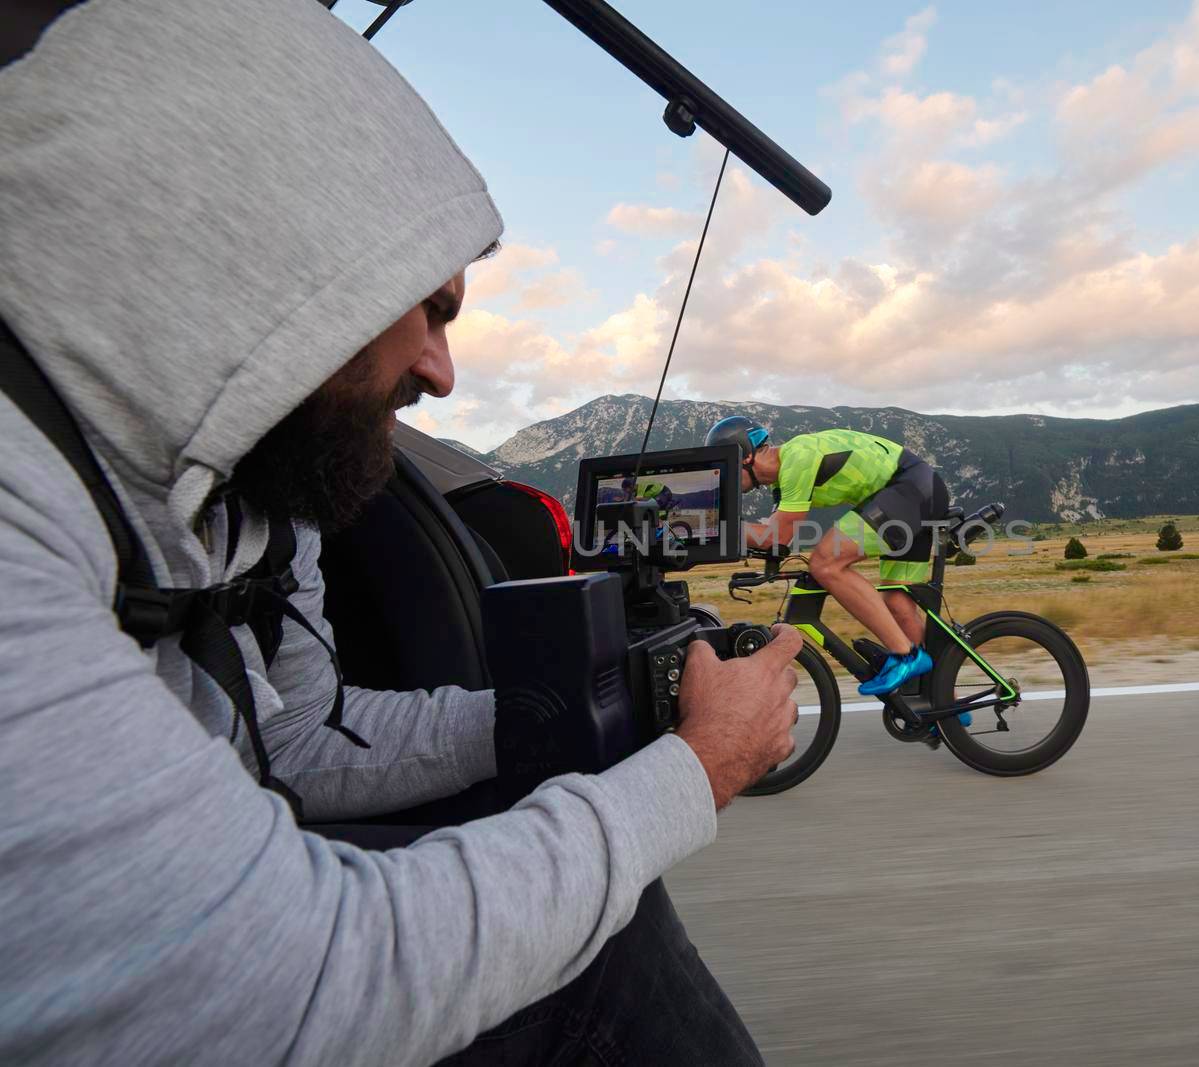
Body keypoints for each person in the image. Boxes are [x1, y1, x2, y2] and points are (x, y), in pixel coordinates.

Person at [0, 3, 798, 1064]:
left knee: (582, 883)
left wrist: (558, 717)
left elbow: (299, 743)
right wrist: (698, 768)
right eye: (427, 305)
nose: (440, 370)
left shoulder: (251, 505)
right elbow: (292, 982)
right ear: (280, 265)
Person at [706, 416, 955, 697]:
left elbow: (777, 536)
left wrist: (717, 527)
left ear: (745, 457)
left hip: (908, 488)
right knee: (898, 601)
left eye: (726, 468)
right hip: (918, 489)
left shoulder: (796, 459)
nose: (725, 478)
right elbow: (773, 538)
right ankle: (943, 705)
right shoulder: (783, 481)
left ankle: (906, 656)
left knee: (826, 563)